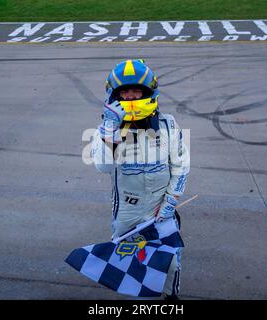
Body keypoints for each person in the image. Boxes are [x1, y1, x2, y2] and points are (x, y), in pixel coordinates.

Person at [91, 59, 190, 299]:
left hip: (161, 207)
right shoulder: (105, 129)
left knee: (171, 261)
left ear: (149, 92)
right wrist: (109, 130)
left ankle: (171, 297)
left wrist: (170, 202)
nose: (132, 97)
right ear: (114, 96)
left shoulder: (168, 124)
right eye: (125, 92)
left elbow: (181, 165)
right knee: (131, 265)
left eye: (137, 90)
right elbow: (103, 167)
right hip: (127, 211)